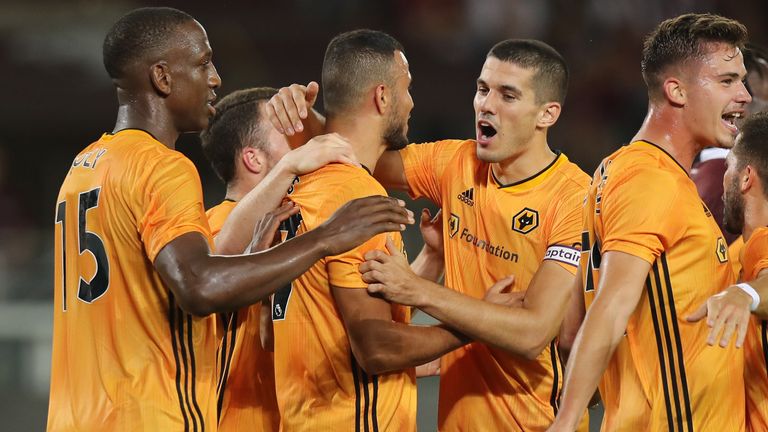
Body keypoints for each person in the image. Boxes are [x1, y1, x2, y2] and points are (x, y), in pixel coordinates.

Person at [47, 8, 413, 431]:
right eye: (202, 64)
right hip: (149, 415)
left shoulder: (84, 168)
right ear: (163, 78)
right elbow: (200, 286)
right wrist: (326, 238)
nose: (216, 78)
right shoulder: (162, 166)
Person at [270, 39, 591, 431]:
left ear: (547, 114)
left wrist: (416, 289)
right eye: (482, 88)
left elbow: (533, 333)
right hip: (454, 421)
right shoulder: (456, 163)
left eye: (508, 95)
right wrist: (299, 115)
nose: (487, 105)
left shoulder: (573, 198)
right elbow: (360, 148)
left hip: (532, 421)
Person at [266, 29, 487, 431]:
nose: (411, 102)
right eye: (407, 88)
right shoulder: (355, 196)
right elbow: (377, 346)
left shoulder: (304, 183)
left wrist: (431, 258)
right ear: (382, 97)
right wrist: (477, 324)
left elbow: (347, 310)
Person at [200, 86, 447, 431]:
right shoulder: (214, 227)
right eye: (287, 131)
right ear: (253, 159)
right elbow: (217, 266)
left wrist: (431, 259)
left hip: (289, 414)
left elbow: (325, 314)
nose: (307, 139)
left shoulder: (291, 219)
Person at [549, 13, 751, 432]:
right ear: (676, 90)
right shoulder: (649, 179)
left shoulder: (623, 172)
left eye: (743, 80)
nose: (745, 95)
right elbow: (610, 306)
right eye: (728, 81)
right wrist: (566, 422)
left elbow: (571, 331)